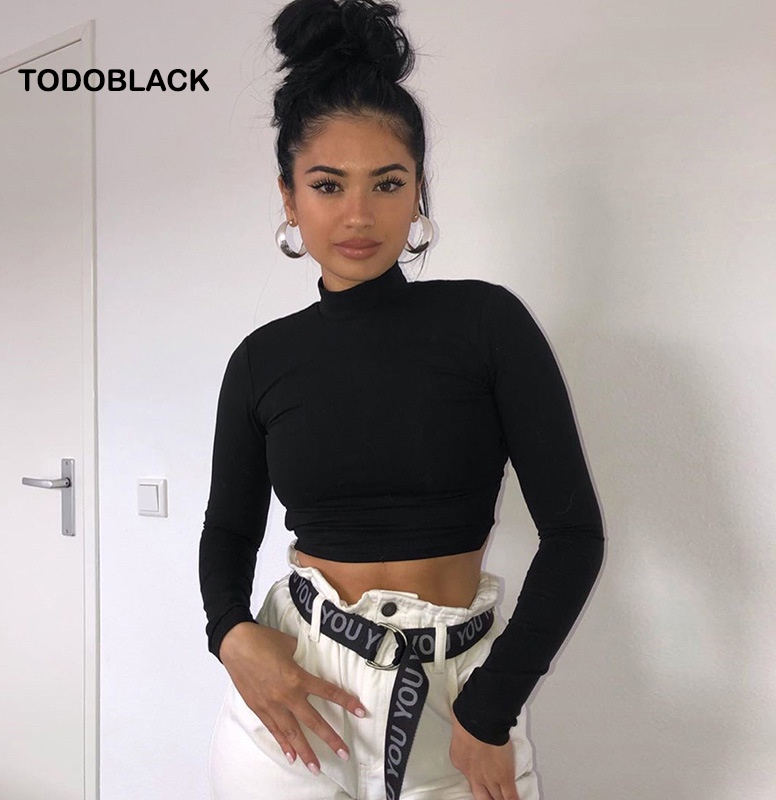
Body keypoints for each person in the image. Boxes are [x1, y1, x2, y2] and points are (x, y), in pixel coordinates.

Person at [199, 1, 605, 799]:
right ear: (289, 198)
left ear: (418, 192)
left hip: (459, 698)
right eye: (327, 185)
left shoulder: (488, 323)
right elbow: (229, 529)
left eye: (387, 183)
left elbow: (574, 535)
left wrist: (491, 709)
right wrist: (230, 635)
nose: (359, 214)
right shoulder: (260, 360)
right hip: (295, 692)